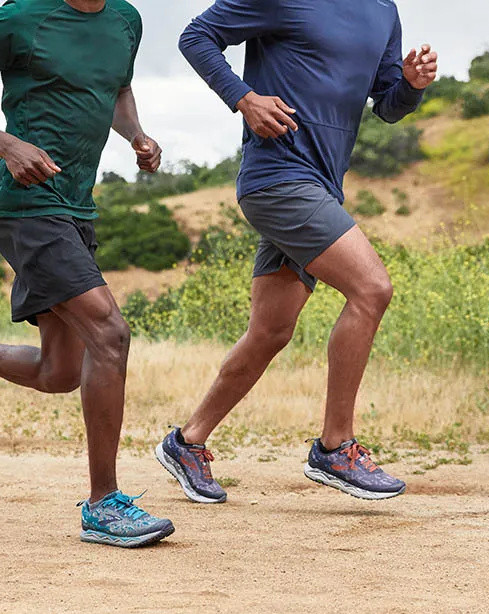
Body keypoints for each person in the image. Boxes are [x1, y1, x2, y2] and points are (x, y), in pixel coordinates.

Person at [0, 0, 175, 548]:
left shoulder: (125, 20)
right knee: (110, 334)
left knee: (59, 373)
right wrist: (7, 144)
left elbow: (116, 88)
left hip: (77, 209)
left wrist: (136, 133)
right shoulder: (19, 18)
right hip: (25, 206)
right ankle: (103, 505)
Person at [156, 0, 439, 503]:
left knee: (269, 332)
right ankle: (335, 447)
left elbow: (387, 106)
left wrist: (412, 86)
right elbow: (196, 37)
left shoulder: (382, 11)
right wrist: (244, 99)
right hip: (278, 179)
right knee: (371, 289)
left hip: (322, 185)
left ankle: (187, 441)